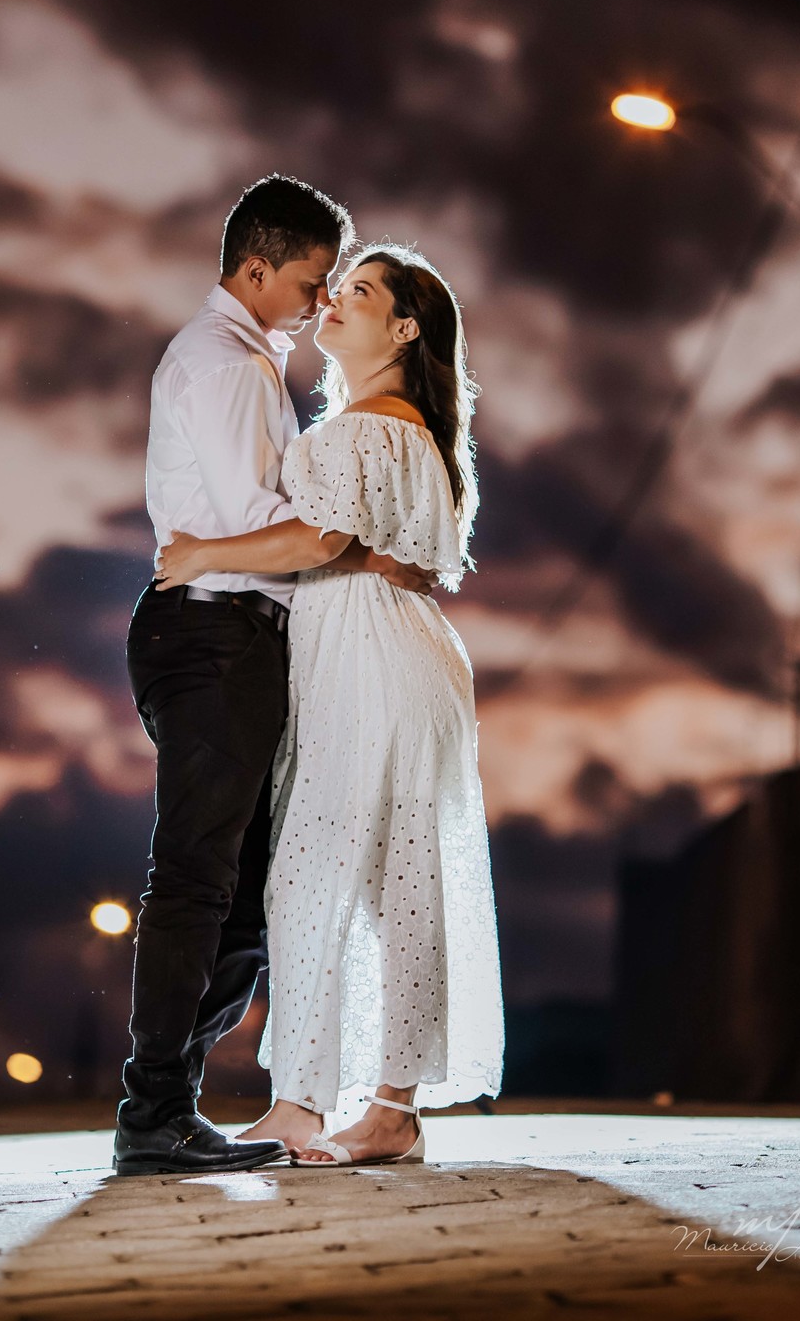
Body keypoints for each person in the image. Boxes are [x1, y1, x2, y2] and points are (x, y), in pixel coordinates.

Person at [156, 245, 504, 1166]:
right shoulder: (399, 428)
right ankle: (354, 1107)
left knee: (329, 880)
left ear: (405, 329)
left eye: (361, 293)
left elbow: (321, 539)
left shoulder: (370, 428)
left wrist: (201, 555)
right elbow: (364, 547)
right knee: (386, 887)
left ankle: (340, 1107)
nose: (334, 302)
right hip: (383, 657)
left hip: (373, 663)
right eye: (337, 288)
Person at [113, 179, 433, 1179]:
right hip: (214, 631)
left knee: (244, 891)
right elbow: (265, 525)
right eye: (309, 280)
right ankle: (154, 1111)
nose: (319, 299)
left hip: (234, 635)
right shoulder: (228, 363)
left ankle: (170, 1106)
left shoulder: (248, 363)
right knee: (201, 879)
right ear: (256, 269)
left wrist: (356, 552)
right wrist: (360, 551)